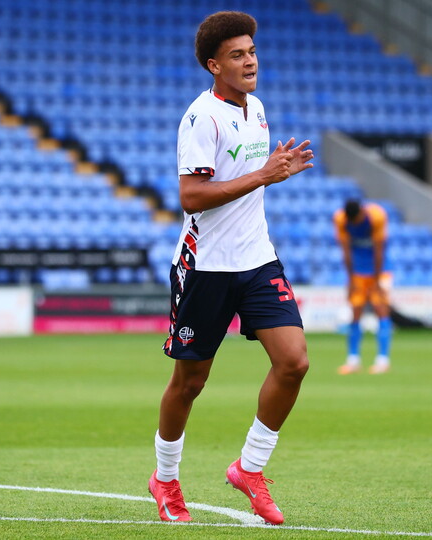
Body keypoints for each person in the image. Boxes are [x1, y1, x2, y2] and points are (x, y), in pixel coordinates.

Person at [149, 11, 314, 526]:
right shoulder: (202, 118)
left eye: (252, 52)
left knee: (294, 362)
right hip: (206, 266)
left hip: (256, 258)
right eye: (238, 55)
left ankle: (250, 468)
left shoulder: (257, 109)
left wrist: (271, 175)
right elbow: (191, 196)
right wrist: (262, 175)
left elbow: (248, 180)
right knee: (190, 382)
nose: (250, 62)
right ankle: (165, 478)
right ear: (213, 65)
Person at [333, 198, 393, 375]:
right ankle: (353, 360)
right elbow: (346, 251)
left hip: (380, 270)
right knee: (355, 313)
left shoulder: (377, 216)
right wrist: (351, 280)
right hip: (358, 272)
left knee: (381, 310)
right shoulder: (341, 220)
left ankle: (383, 360)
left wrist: (377, 281)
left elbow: (379, 250)